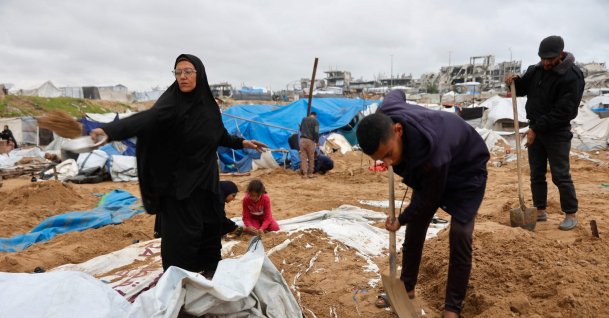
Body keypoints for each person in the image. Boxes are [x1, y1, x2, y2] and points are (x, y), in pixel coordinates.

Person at [90, 54, 267, 276]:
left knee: (211, 228)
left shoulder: (209, 106)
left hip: (206, 181)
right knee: (182, 237)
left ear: (199, 74)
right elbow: (145, 119)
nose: (182, 77)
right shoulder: (170, 104)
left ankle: (211, 272)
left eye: (188, 72)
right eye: (178, 72)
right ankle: (179, 279)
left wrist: (242, 142)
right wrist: (110, 131)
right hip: (179, 185)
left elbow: (218, 135)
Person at [356, 90, 489, 317]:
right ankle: (406, 287)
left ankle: (452, 308)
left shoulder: (433, 156)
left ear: (398, 130)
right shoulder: (387, 112)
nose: (387, 163)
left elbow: (428, 200)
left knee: (460, 235)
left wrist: (401, 219)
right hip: (433, 167)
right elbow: (397, 93)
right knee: (416, 227)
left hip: (466, 171)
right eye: (380, 159)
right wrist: (407, 220)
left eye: (389, 154)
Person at [505, 35, 584, 231]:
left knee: (560, 175)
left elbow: (565, 111)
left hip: (557, 132)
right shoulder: (536, 70)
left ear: (561, 54)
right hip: (536, 129)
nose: (546, 62)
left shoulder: (572, 76)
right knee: (536, 173)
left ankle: (571, 214)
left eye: (550, 59)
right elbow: (521, 89)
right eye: (543, 58)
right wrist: (513, 82)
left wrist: (535, 129)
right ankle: (539, 210)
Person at [299, 112, 319, 178]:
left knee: (303, 158)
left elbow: (300, 129)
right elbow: (316, 132)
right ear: (315, 116)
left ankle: (304, 174)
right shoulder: (316, 122)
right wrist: (317, 141)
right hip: (310, 141)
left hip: (302, 140)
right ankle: (310, 174)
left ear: (310, 115)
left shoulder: (304, 119)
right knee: (311, 158)